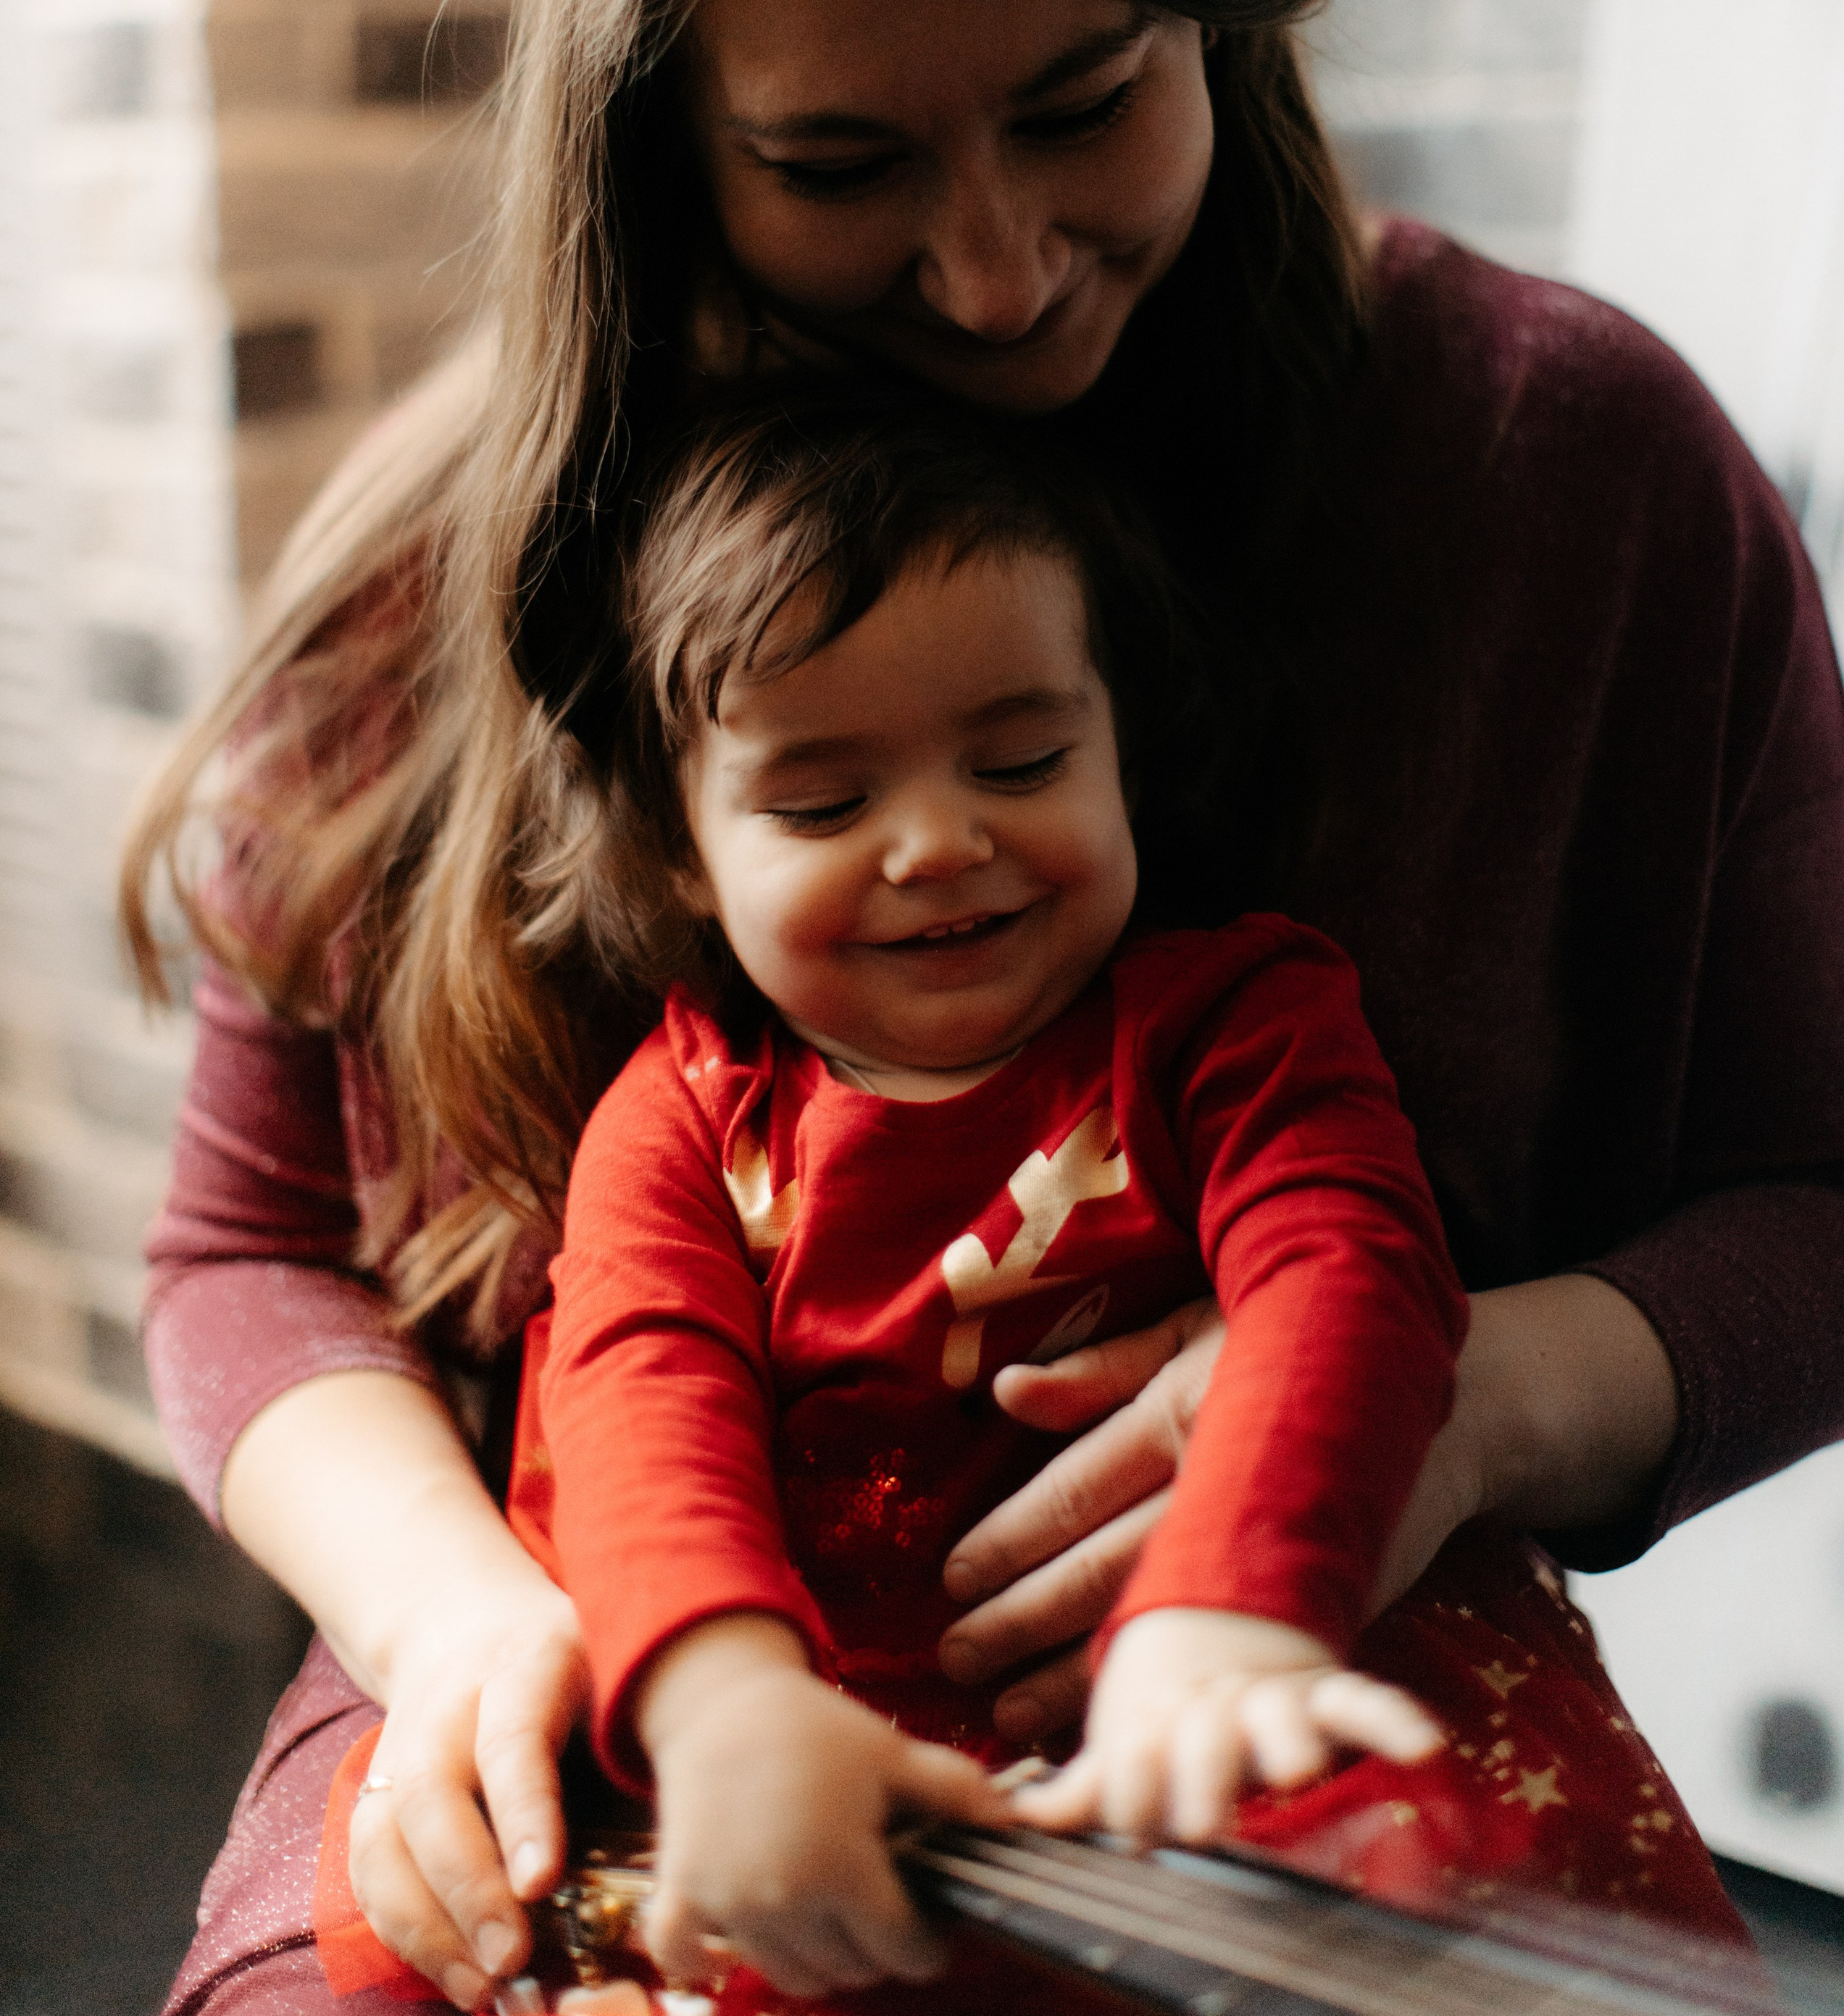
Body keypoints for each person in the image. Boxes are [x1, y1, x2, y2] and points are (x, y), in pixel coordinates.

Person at [129, 0, 1844, 2016]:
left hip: (1308, 1628)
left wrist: (1458, 1407)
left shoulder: (1565, 475)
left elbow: (1826, 1188)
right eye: (841, 166)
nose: (996, 267)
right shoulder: (453, 567)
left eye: (1085, 105)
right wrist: (479, 1626)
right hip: (574, 1612)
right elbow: (244, 1253)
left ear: (1225, 17)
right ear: (660, 158)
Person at [517, 390, 1463, 2002]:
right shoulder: (682, 1113)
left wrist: (1231, 1610)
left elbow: (1345, 1271)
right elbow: (631, 1396)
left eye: (1021, 759)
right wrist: (724, 1700)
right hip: (791, 1707)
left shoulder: (1229, 1025)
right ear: (681, 849)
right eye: (821, 804)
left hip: (1206, 1644)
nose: (940, 841)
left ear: (1122, 752)